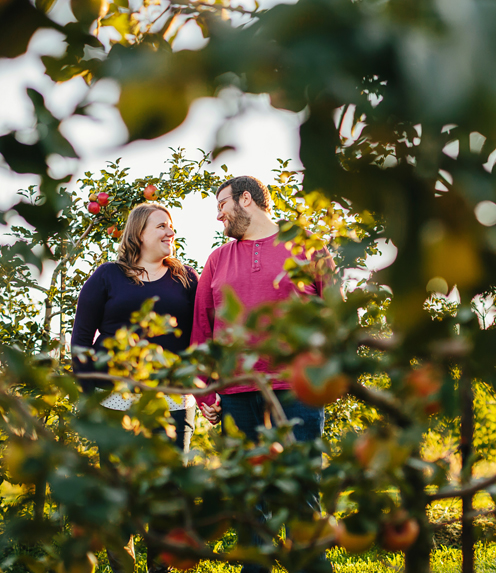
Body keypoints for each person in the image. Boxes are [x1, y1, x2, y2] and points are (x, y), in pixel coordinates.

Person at [191, 176, 331, 573]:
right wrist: (204, 393)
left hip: (297, 391)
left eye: (222, 205)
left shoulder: (308, 247)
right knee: (249, 503)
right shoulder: (218, 259)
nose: (218, 215)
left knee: (302, 496)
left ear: (246, 200)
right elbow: (202, 330)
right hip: (235, 394)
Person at [70, 203, 199, 573]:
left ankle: (160, 568)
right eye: (161, 226)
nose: (169, 232)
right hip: (115, 400)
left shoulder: (186, 278)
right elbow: (81, 336)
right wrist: (89, 393)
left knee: (168, 491)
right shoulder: (108, 276)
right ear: (140, 232)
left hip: (173, 401)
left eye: (171, 226)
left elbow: (200, 335)